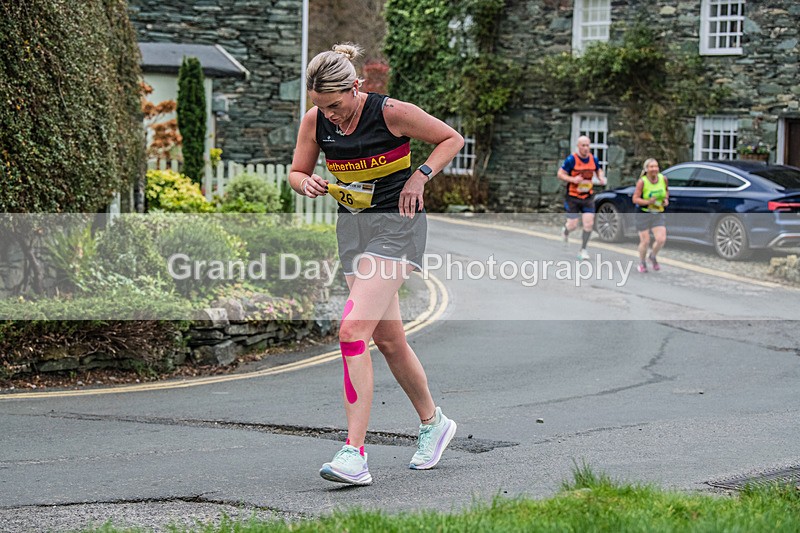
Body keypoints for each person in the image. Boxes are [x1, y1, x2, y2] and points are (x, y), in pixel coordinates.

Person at [289, 43, 464, 486]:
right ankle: (434, 423)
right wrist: (305, 181)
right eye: (319, 106)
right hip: (353, 231)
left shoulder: (390, 112)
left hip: (398, 227)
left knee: (351, 330)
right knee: (388, 340)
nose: (328, 115)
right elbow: (296, 170)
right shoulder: (316, 120)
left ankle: (354, 453)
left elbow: (451, 138)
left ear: (355, 86)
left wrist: (419, 177)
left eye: (334, 104)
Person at [557, 136, 607, 260]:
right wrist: (573, 179)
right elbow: (560, 174)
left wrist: (600, 177)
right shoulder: (571, 159)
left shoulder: (593, 159)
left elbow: (598, 170)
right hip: (573, 196)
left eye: (587, 145)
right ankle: (566, 231)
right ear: (578, 146)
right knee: (573, 225)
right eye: (583, 146)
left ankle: (583, 249)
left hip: (587, 197)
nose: (585, 148)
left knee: (588, 224)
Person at [632, 158, 669, 273]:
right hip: (643, 213)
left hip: (658, 212)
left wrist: (666, 200)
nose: (654, 169)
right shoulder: (642, 182)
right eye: (651, 167)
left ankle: (652, 256)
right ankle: (642, 262)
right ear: (646, 169)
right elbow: (635, 199)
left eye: (656, 166)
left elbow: (666, 191)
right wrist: (648, 202)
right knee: (645, 241)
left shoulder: (663, 179)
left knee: (661, 239)